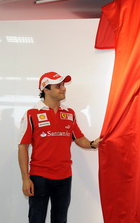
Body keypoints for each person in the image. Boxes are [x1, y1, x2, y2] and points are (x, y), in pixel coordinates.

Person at [18, 71, 102, 223]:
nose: (63, 88)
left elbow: (79, 138)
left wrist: (91, 144)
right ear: (46, 89)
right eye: (58, 86)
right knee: (36, 219)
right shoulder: (32, 114)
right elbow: (23, 146)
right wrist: (25, 178)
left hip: (64, 176)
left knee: (60, 219)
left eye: (63, 85)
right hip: (39, 177)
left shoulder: (69, 113)